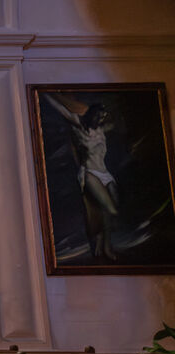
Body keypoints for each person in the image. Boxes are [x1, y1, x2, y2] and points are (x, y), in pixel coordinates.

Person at [44, 93, 120, 261]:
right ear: (92, 114)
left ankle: (106, 244)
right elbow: (62, 109)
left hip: (106, 173)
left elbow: (113, 122)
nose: (101, 119)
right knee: (109, 208)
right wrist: (46, 93)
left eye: (103, 117)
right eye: (99, 116)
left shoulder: (101, 129)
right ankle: (103, 243)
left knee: (109, 208)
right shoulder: (79, 126)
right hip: (90, 173)